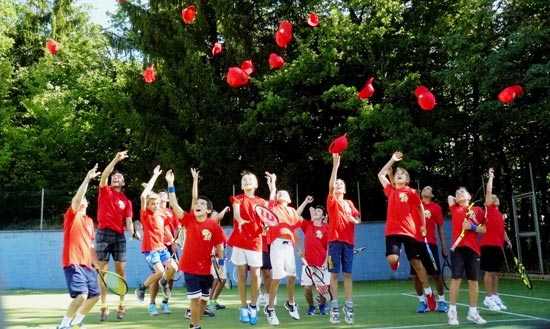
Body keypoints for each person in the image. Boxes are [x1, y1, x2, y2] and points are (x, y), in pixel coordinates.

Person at [166, 168, 226, 329]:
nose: (198, 204)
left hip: (206, 269)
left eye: (202, 204)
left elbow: (220, 245)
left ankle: (194, 323)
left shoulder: (213, 225)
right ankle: (197, 326)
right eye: (197, 203)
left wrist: (221, 265)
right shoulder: (188, 220)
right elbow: (174, 203)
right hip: (189, 268)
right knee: (195, 298)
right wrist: (170, 184)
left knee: (204, 300)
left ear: (208, 210)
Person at [377, 152, 436, 313]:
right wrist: (392, 160)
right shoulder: (390, 190)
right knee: (392, 259)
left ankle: (429, 294)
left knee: (417, 264)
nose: (399, 175)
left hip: (410, 232)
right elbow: (381, 174)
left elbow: (420, 207)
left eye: (403, 174)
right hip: (392, 231)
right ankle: (396, 262)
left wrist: (423, 225)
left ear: (407, 180)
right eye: (397, 174)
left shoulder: (411, 192)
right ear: (394, 179)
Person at [226, 171, 275, 325]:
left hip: (255, 242)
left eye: (250, 179)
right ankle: (243, 307)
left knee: (255, 275)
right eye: (244, 180)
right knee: (241, 275)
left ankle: (253, 306)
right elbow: (236, 213)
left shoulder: (261, 201)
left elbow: (269, 212)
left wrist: (272, 186)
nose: (247, 181)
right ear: (242, 185)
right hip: (240, 241)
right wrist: (240, 220)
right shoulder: (238, 199)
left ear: (255, 185)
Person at [57, 164, 101, 329]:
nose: (81, 200)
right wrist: (87, 179)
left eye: (84, 199)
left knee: (95, 295)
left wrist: (95, 262)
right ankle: (63, 326)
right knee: (81, 295)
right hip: (73, 261)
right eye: (79, 199)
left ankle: (76, 323)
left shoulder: (89, 222)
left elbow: (90, 245)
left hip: (87, 264)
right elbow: (77, 198)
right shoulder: (71, 215)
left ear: (88, 204)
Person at [96, 151, 138, 321]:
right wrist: (116, 159)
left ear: (123, 182)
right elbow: (105, 173)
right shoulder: (104, 191)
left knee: (120, 271)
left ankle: (121, 304)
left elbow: (128, 221)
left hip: (119, 236)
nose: (115, 178)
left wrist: (133, 232)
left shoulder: (127, 202)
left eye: (119, 177)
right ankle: (104, 306)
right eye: (114, 177)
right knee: (103, 271)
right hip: (103, 234)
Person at [263, 177, 308, 326]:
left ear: (289, 199)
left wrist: (301, 248)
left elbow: (295, 230)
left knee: (292, 276)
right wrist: (273, 184)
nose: (281, 194)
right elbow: (272, 194)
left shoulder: (292, 211)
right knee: (277, 277)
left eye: (284, 193)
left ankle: (291, 303)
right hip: (276, 244)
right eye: (279, 193)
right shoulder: (273, 208)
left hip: (289, 246)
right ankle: (270, 308)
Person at [134, 166, 178, 312]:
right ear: (147, 204)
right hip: (150, 248)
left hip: (161, 247)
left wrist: (172, 239)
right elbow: (143, 195)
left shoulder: (162, 214)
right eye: (152, 203)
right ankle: (141, 289)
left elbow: (164, 228)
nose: (155, 205)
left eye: (157, 203)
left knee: (174, 267)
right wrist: (154, 176)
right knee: (159, 271)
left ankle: (164, 282)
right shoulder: (145, 214)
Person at [327, 153, 361, 324]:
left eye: (341, 184)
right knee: (334, 275)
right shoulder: (332, 201)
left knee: (347, 274)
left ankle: (349, 305)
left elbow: (358, 219)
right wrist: (335, 166)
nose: (338, 185)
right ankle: (334, 306)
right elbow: (331, 186)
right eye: (337, 183)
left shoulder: (349, 204)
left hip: (348, 243)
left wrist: (354, 220)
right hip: (334, 242)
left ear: (345, 190)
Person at [447, 186, 487, 325]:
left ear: (470, 196)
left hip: (473, 249)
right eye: (457, 192)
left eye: (462, 191)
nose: (458, 193)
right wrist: (460, 199)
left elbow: (484, 229)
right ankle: (452, 312)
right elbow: (449, 198)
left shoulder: (477, 210)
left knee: (473, 281)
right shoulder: (455, 208)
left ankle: (473, 312)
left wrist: (472, 227)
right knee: (456, 277)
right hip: (457, 248)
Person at [411, 186, 448, 313]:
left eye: (429, 189)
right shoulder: (414, 205)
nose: (426, 189)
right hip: (415, 244)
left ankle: (442, 301)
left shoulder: (436, 208)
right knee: (416, 276)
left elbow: (440, 229)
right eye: (424, 188)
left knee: (436, 275)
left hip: (430, 244)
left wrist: (443, 247)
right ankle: (422, 302)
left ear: (432, 195)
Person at [481, 168, 512, 311]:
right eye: (492, 197)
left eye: (495, 197)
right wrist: (491, 177)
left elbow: (502, 230)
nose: (494, 198)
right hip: (488, 245)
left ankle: (494, 295)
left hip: (498, 245)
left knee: (495, 273)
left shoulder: (499, 214)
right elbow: (488, 192)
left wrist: (507, 240)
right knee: (489, 272)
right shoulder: (489, 210)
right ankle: (488, 298)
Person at [147, 189, 180, 316]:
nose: (162, 197)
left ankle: (165, 302)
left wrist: (175, 242)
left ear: (167, 199)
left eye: (164, 195)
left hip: (170, 246)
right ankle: (152, 304)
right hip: (156, 247)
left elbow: (176, 228)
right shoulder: (152, 212)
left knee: (170, 275)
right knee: (157, 275)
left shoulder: (172, 213)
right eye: (159, 195)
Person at [297, 201, 329, 316]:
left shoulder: (327, 227)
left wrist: (326, 262)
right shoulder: (307, 225)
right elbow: (296, 215)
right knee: (307, 288)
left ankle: (322, 306)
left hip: (323, 263)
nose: (316, 211)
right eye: (315, 210)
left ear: (324, 216)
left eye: (319, 211)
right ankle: (311, 306)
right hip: (308, 264)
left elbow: (330, 246)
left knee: (323, 289)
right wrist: (305, 202)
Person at [207, 206, 231, 312]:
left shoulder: (219, 228)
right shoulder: (210, 227)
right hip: (213, 258)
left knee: (222, 279)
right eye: (214, 214)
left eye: (217, 214)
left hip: (220, 258)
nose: (217, 215)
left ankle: (213, 301)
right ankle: (209, 301)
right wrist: (225, 209)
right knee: (218, 278)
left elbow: (224, 243)